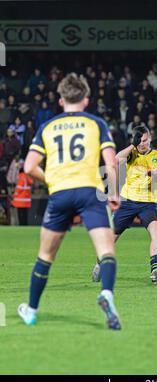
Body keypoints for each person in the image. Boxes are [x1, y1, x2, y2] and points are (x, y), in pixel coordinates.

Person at [18, 73, 122, 330]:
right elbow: (111, 161)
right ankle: (106, 294)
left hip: (60, 193)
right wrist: (114, 192)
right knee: (106, 251)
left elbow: (29, 166)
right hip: (89, 191)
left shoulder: (48, 126)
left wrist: (52, 181)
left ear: (61, 100)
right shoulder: (97, 124)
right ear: (86, 99)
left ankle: (31, 311)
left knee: (45, 255)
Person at [92, 125, 157, 283]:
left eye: (145, 140)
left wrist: (156, 174)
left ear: (150, 138)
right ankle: (99, 265)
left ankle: (155, 268)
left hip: (148, 202)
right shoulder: (132, 153)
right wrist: (133, 144)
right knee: (111, 238)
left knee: (156, 230)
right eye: (139, 140)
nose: (142, 143)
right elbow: (117, 159)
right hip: (128, 201)